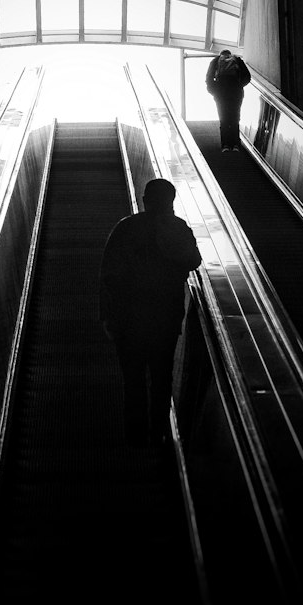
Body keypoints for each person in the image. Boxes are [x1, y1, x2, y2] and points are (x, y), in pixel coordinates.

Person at [99, 177, 203, 447]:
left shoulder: (126, 228)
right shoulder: (178, 228)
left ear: (145, 201)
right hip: (165, 318)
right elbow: (194, 261)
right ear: (171, 202)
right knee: (161, 377)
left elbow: (108, 275)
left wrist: (107, 316)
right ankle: (158, 436)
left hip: (129, 320)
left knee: (133, 380)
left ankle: (134, 438)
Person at [205, 48, 251, 154]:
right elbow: (247, 77)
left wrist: (214, 90)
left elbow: (209, 77)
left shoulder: (215, 61)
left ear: (221, 54)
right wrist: (239, 85)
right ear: (230, 55)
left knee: (223, 118)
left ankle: (225, 145)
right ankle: (235, 145)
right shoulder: (237, 60)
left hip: (221, 92)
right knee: (235, 117)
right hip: (236, 92)